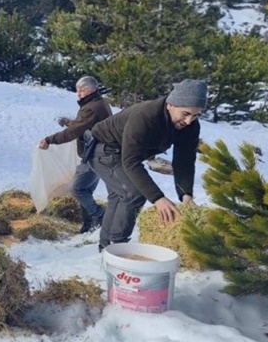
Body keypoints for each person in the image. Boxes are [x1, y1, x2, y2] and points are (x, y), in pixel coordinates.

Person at [85, 79, 207, 252]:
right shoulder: (145, 115)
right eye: (185, 113)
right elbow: (131, 162)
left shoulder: (190, 126)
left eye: (195, 115)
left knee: (119, 197)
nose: (188, 121)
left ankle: (105, 246)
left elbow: (184, 161)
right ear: (171, 104)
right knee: (133, 194)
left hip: (125, 152)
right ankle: (117, 247)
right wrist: (158, 198)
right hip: (104, 149)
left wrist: (186, 194)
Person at [39, 76, 112, 234]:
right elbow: (83, 125)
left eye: (82, 89)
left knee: (76, 189)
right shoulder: (99, 102)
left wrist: (49, 140)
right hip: (99, 152)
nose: (78, 93)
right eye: (77, 90)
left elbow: (74, 131)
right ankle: (88, 225)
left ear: (93, 89)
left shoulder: (91, 108)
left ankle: (100, 216)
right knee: (86, 190)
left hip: (95, 155)